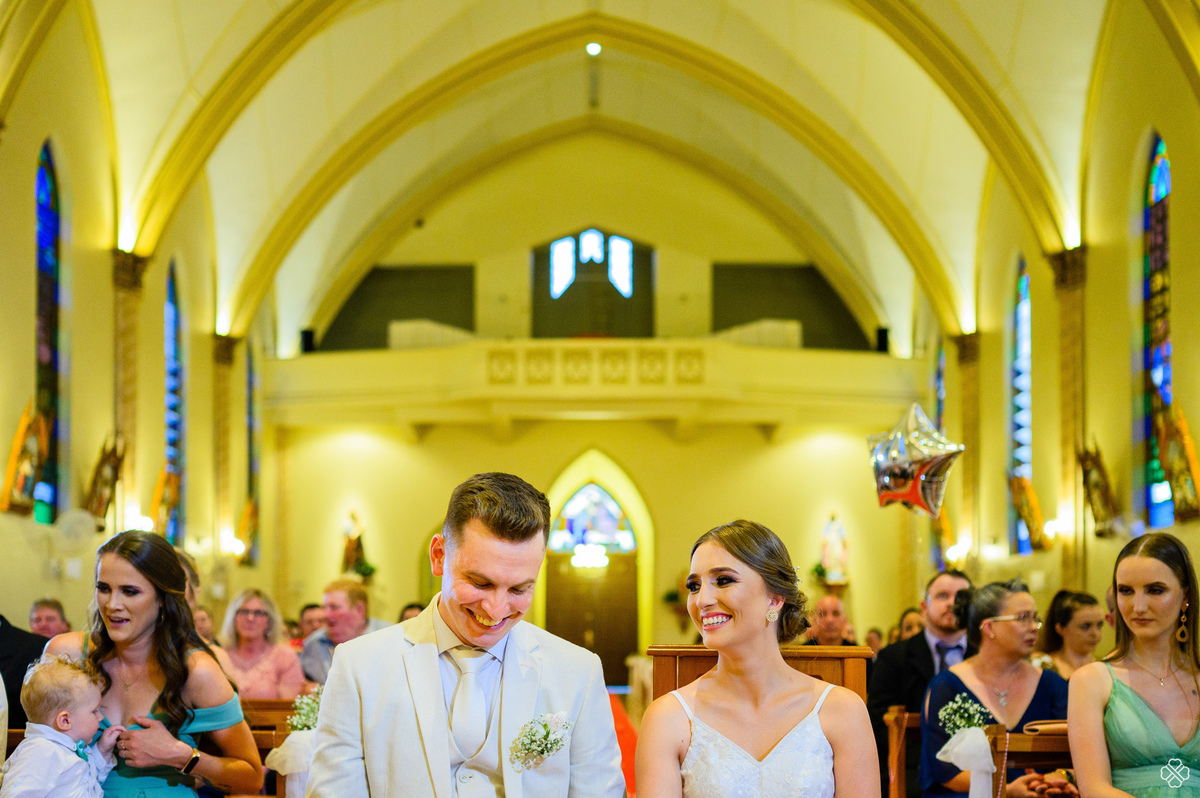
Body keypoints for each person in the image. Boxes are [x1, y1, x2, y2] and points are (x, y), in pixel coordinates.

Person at [306, 472, 624, 797]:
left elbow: (599, 790)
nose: (497, 609)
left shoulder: (578, 672)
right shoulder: (359, 665)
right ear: (439, 556)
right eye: (480, 583)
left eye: (519, 588)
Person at [635, 519, 877, 797]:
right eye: (694, 586)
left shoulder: (842, 711)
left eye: (723, 580)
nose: (702, 600)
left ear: (774, 598)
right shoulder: (668, 719)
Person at [45, 530, 262, 796]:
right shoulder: (66, 654)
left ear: (162, 598)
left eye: (130, 591)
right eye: (104, 588)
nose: (113, 604)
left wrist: (180, 755)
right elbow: (38, 748)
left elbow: (251, 777)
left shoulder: (197, 671)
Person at [1069, 532, 1200, 798]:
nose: (1137, 606)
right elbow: (1094, 788)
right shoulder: (1092, 680)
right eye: (1125, 591)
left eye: (1155, 590)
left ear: (1185, 595)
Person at [920, 579, 1072, 798]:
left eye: (1035, 619)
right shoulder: (948, 687)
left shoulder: (1051, 684)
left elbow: (1073, 751)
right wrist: (1005, 791)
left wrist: (1057, 778)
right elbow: (945, 772)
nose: (1033, 628)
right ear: (989, 627)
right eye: (1022, 618)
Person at [868, 570, 972, 796]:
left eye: (961, 597)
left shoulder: (983, 655)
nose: (953, 603)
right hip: (911, 769)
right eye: (943, 596)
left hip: (974, 766)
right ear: (924, 607)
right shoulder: (894, 657)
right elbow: (878, 722)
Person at [0, 655, 124, 797]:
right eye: (94, 711)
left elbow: (88, 781)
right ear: (65, 721)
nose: (101, 717)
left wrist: (103, 750)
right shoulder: (41, 752)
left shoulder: (68, 749)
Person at [299, 579, 390, 684]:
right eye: (325, 608)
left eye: (334, 607)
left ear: (359, 609)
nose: (326, 615)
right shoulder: (314, 644)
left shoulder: (388, 637)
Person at [219, 589, 304, 700]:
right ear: (234, 618)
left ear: (269, 620)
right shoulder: (220, 655)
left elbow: (287, 707)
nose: (250, 618)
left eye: (258, 613)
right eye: (244, 612)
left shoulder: (284, 655)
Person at [1031, 590, 1103, 679]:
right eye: (1085, 626)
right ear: (1060, 629)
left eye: (1099, 625)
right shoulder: (1043, 666)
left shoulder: (1105, 669)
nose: (1095, 633)